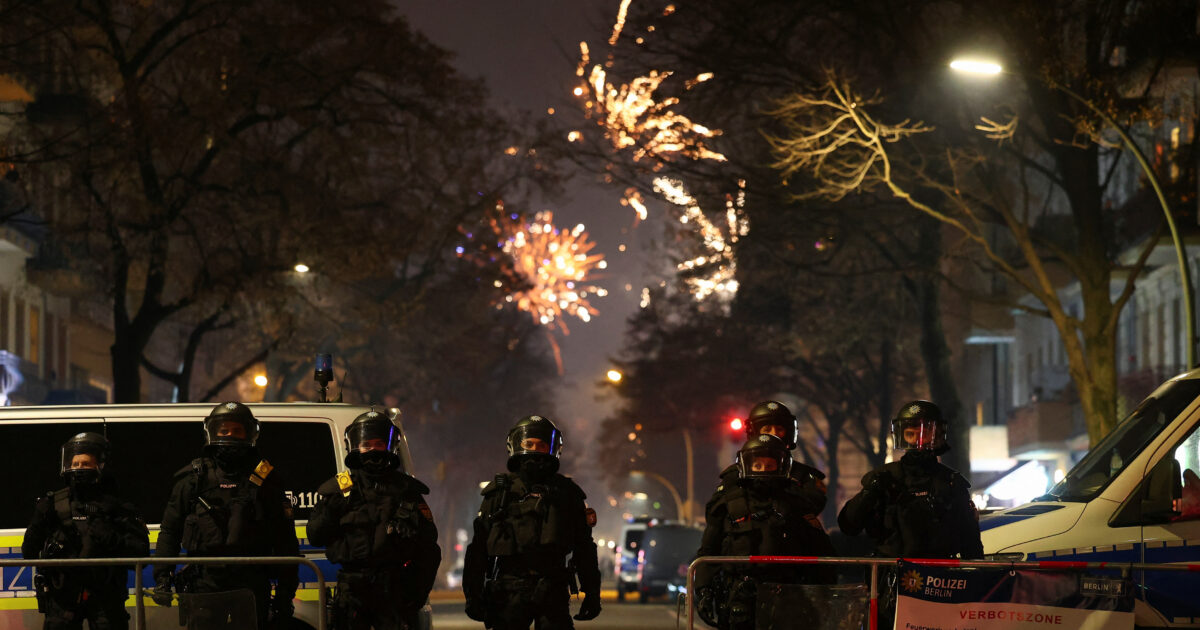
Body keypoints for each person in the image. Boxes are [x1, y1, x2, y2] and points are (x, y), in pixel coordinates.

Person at [152, 402, 299, 629]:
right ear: (212, 432)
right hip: (204, 583)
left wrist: (286, 590)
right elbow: (170, 531)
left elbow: (285, 538)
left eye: (237, 430)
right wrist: (162, 578)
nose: (230, 435)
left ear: (249, 433)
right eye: (224, 430)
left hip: (252, 582)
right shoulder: (193, 480)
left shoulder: (267, 481)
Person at [838, 400, 983, 626]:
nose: (917, 439)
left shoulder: (950, 483)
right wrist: (869, 493)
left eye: (925, 432)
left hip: (939, 586)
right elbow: (849, 525)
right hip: (889, 586)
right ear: (902, 435)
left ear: (938, 436)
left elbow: (971, 545)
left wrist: (976, 589)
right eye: (911, 432)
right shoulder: (884, 478)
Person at [462, 415, 602, 629]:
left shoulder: (567, 493)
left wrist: (592, 592)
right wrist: (473, 594)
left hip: (553, 589)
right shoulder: (499, 493)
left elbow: (584, 548)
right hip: (507, 592)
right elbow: (478, 549)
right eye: (529, 444)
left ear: (553, 448)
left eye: (542, 445)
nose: (535, 451)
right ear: (516, 445)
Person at [308, 409, 441, 629]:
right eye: (366, 444)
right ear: (354, 445)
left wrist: (416, 594)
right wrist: (330, 511)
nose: (372, 450)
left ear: (390, 446)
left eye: (379, 443)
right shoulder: (338, 489)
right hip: (351, 594)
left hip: (394, 593)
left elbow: (429, 549)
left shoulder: (406, 490)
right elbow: (315, 535)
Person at [695, 434, 836, 630]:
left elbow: (822, 554)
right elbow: (709, 551)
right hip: (740, 599)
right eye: (757, 466)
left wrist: (824, 593)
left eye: (769, 466)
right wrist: (703, 590)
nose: (763, 472)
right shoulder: (728, 504)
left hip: (788, 597)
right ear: (745, 465)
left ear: (781, 466)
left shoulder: (796, 504)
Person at [23, 432, 150, 630]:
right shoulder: (53, 505)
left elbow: (140, 555)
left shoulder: (117, 507)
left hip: (105, 598)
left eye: (85, 464)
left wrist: (110, 538)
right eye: (75, 464)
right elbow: (28, 552)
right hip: (62, 598)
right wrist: (39, 523)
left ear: (100, 466)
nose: (79, 469)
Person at [726, 400, 829, 512]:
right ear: (754, 432)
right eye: (767, 429)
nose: (774, 434)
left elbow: (814, 506)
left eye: (780, 429)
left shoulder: (805, 477)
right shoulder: (735, 475)